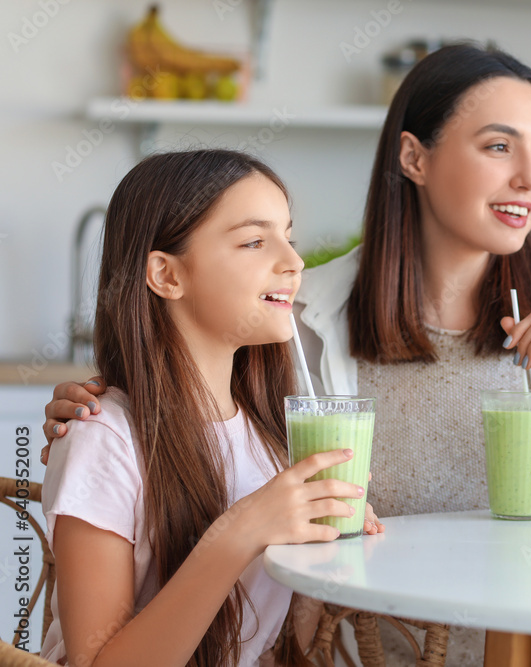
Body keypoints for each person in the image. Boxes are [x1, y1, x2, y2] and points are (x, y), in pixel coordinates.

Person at [42, 44, 531, 664]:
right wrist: (110, 397)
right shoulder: (304, 318)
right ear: (414, 157)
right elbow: (182, 396)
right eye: (499, 147)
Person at [39, 149, 381, 667]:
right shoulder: (103, 437)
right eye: (254, 241)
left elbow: (273, 641)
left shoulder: (270, 437)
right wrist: (240, 532)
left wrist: (320, 542)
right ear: (166, 275)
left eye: (289, 235)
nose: (293, 261)